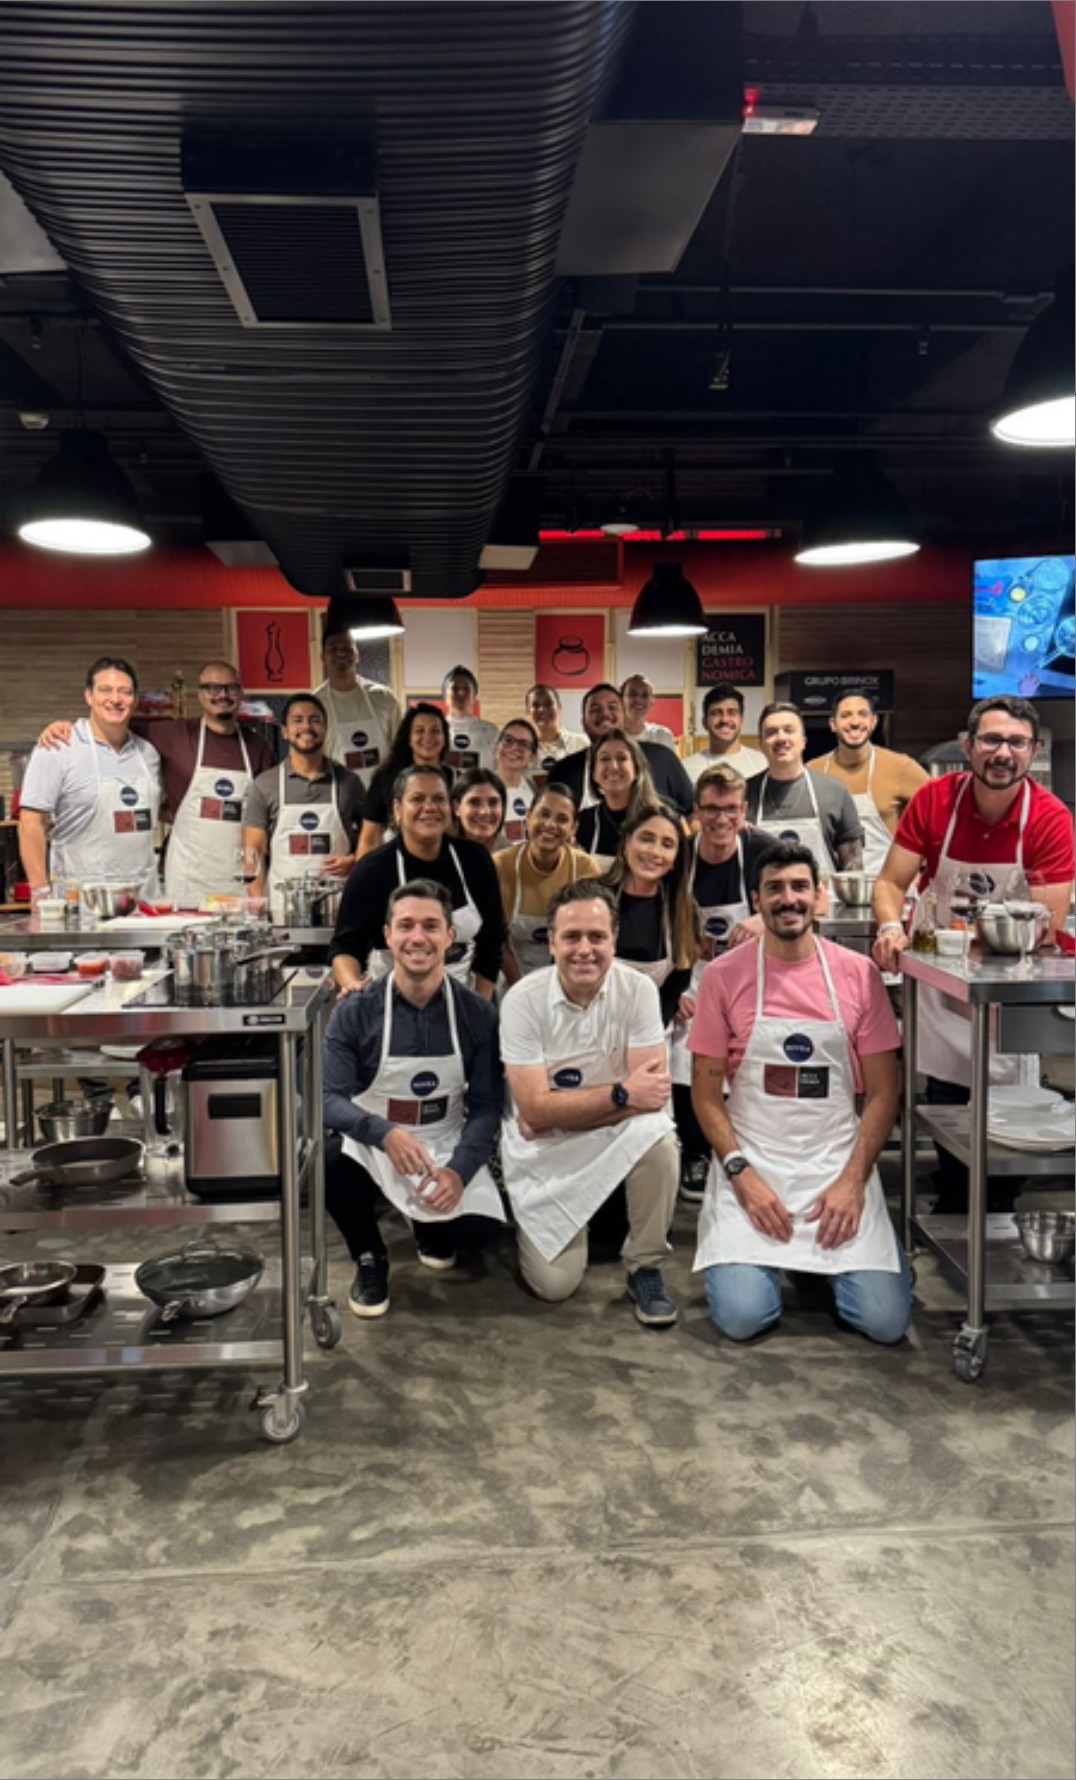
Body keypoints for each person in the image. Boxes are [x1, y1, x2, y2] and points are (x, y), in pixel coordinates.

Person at [690, 842, 913, 1344]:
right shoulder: (724, 978)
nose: (787, 899)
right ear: (756, 899)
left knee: (884, 1321)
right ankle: (795, 1265)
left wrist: (853, 1181)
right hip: (755, 1163)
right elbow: (705, 1095)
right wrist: (741, 1176)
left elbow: (882, 1093)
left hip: (834, 1162)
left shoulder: (858, 975)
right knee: (743, 1317)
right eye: (774, 889)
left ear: (820, 897)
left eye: (798, 887)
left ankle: (827, 1265)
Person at [872, 695, 1075, 1214]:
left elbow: (1046, 927)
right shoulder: (937, 799)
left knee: (1010, 1094)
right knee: (945, 1087)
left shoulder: (1049, 819)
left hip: (1009, 982)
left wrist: (967, 943)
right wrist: (892, 927)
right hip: (942, 985)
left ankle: (997, 1199)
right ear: (969, 746)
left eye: (1016, 742)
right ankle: (955, 1191)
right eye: (991, 740)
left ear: (1032, 752)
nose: (1002, 752)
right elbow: (891, 882)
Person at [499, 880, 680, 1324]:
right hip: (547, 1153)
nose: (585, 949)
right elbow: (533, 1111)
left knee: (659, 1140)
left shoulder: (638, 991)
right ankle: (528, 1217)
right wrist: (620, 1094)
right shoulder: (522, 1001)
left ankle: (645, 1265)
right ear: (552, 942)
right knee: (554, 1287)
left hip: (603, 1135)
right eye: (572, 937)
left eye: (597, 937)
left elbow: (653, 1097)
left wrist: (557, 1113)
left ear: (614, 941)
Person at [323, 879, 505, 1316]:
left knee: (479, 1234)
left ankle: (430, 1229)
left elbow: (485, 1107)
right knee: (328, 1160)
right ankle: (370, 1257)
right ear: (388, 936)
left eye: (430, 926)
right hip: (374, 1143)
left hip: (442, 1140)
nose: (417, 938)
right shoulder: (356, 1009)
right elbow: (329, 1098)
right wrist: (384, 1134)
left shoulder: (477, 1013)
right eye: (405, 926)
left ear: (450, 936)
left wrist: (459, 1172)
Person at [34, 660, 278, 909]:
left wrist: (257, 886)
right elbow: (112, 721)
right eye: (213, 688)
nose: (222, 695)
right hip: (188, 882)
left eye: (230, 688)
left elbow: (265, 823)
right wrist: (68, 727)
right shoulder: (173, 735)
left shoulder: (259, 749)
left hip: (241, 882)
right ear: (200, 694)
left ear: (241, 694)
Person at [670, 765, 779, 1202]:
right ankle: (696, 1151)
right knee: (684, 1048)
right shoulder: (679, 854)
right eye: (711, 809)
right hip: (692, 977)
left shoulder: (761, 849)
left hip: (750, 979)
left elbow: (816, 896)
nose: (720, 820)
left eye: (730, 809)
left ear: (745, 811)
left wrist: (762, 917)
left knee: (754, 1051)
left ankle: (750, 1146)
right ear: (695, 812)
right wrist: (671, 991)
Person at [330, 764, 505, 998]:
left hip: (462, 999)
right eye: (418, 799)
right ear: (397, 808)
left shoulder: (474, 860)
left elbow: (491, 941)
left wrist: (478, 1006)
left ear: (451, 808)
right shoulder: (372, 870)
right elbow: (345, 946)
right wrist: (352, 984)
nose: (430, 807)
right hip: (390, 1005)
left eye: (439, 799)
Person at [19, 656, 162, 897]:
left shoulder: (148, 754)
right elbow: (31, 823)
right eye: (104, 690)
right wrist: (40, 890)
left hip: (142, 898)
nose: (115, 699)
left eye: (124, 692)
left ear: (135, 701)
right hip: (81, 900)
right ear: (88, 696)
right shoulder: (57, 747)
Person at [243, 695, 364, 921]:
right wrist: (257, 906)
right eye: (298, 720)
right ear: (285, 731)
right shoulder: (265, 785)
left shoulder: (349, 783)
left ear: (326, 728)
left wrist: (356, 860)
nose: (306, 726)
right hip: (282, 911)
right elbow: (253, 853)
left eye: (315, 720)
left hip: (338, 908)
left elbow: (375, 835)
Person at [811, 688, 929, 875]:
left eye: (863, 714)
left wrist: (921, 869)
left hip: (888, 885)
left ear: (874, 722)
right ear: (833, 724)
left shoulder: (900, 766)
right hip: (830, 888)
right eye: (846, 715)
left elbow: (941, 812)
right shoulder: (813, 771)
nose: (855, 722)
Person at [495, 783, 600, 982]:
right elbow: (496, 941)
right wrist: (521, 987)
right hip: (512, 978)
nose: (551, 824)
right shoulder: (501, 865)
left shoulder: (585, 868)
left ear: (573, 829)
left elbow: (590, 938)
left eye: (562, 819)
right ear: (528, 816)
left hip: (569, 978)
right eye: (543, 814)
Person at [745, 702, 863, 876]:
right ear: (761, 744)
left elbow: (853, 865)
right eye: (771, 732)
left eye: (789, 730)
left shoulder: (834, 791)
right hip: (762, 901)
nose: (781, 738)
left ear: (803, 742)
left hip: (824, 901)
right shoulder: (743, 795)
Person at [556, 683, 694, 818]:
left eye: (613, 707)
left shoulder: (663, 758)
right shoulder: (564, 770)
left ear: (624, 717)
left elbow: (692, 813)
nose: (605, 714)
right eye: (595, 709)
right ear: (584, 723)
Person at [356, 702, 452, 857]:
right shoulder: (385, 778)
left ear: (445, 738)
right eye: (419, 731)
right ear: (408, 738)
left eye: (435, 731)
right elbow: (369, 839)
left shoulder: (456, 779)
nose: (428, 737)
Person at [314, 620, 401, 790]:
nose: (341, 654)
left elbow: (401, 751)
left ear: (357, 655)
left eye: (347, 648)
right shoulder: (314, 704)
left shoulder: (383, 697)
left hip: (381, 798)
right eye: (333, 649)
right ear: (322, 657)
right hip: (337, 799)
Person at [574, 728, 659, 866]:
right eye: (605, 759)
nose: (613, 766)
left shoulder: (658, 819)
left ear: (636, 769)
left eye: (622, 758)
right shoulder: (584, 821)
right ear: (594, 773)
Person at [684, 683, 767, 784]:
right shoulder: (686, 769)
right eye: (716, 713)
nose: (724, 719)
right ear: (704, 722)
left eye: (732, 712)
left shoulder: (763, 764)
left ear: (741, 721)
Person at [524, 685, 587, 783]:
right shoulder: (523, 748)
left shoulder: (582, 743)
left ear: (559, 708)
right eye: (536, 705)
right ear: (528, 712)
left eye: (548, 704)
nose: (542, 709)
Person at [492, 719, 540, 845]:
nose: (514, 748)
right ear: (497, 747)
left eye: (523, 744)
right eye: (508, 741)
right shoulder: (481, 786)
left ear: (532, 757)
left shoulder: (534, 789)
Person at [442, 665, 500, 770]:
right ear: (445, 697)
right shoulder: (437, 731)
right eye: (455, 689)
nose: (460, 694)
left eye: (466, 689)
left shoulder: (491, 732)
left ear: (474, 697)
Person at [452, 767, 507, 853]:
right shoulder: (438, 852)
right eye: (474, 803)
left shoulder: (512, 857)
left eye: (493, 803)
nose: (484, 811)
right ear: (456, 808)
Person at [620, 673, 676, 750]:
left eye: (645, 695)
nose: (638, 700)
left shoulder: (662, 736)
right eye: (632, 694)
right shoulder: (611, 737)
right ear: (621, 700)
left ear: (651, 702)